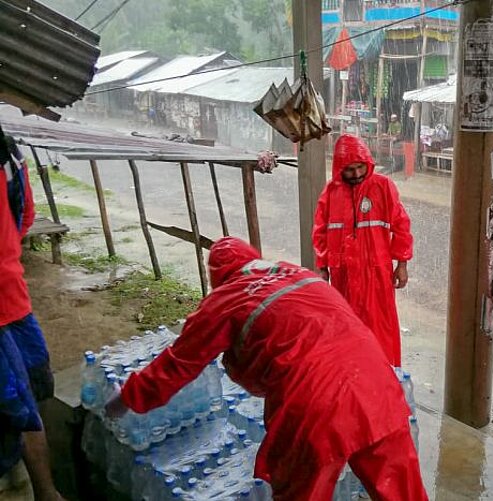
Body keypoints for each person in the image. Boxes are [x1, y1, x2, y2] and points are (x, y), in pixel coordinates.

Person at [105, 237, 428, 501]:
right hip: (378, 384)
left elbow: (176, 365)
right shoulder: (298, 273)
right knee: (402, 489)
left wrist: (124, 400)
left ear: (216, 276)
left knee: (301, 489)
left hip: (314, 406)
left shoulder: (226, 299)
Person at [312, 134, 413, 366]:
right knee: (348, 330)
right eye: (349, 169)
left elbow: (401, 226)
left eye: (360, 167)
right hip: (343, 277)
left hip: (377, 276)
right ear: (340, 168)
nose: (356, 174)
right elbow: (320, 233)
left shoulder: (382, 187)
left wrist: (402, 264)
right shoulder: (330, 194)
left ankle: (386, 379)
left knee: (381, 331)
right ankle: (353, 380)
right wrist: (322, 269)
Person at [0, 131, 63, 501]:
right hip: (12, 292)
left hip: (10, 298)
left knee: (19, 399)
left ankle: (41, 489)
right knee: (25, 396)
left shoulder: (9, 155)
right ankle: (43, 489)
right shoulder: (8, 152)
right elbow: (25, 216)